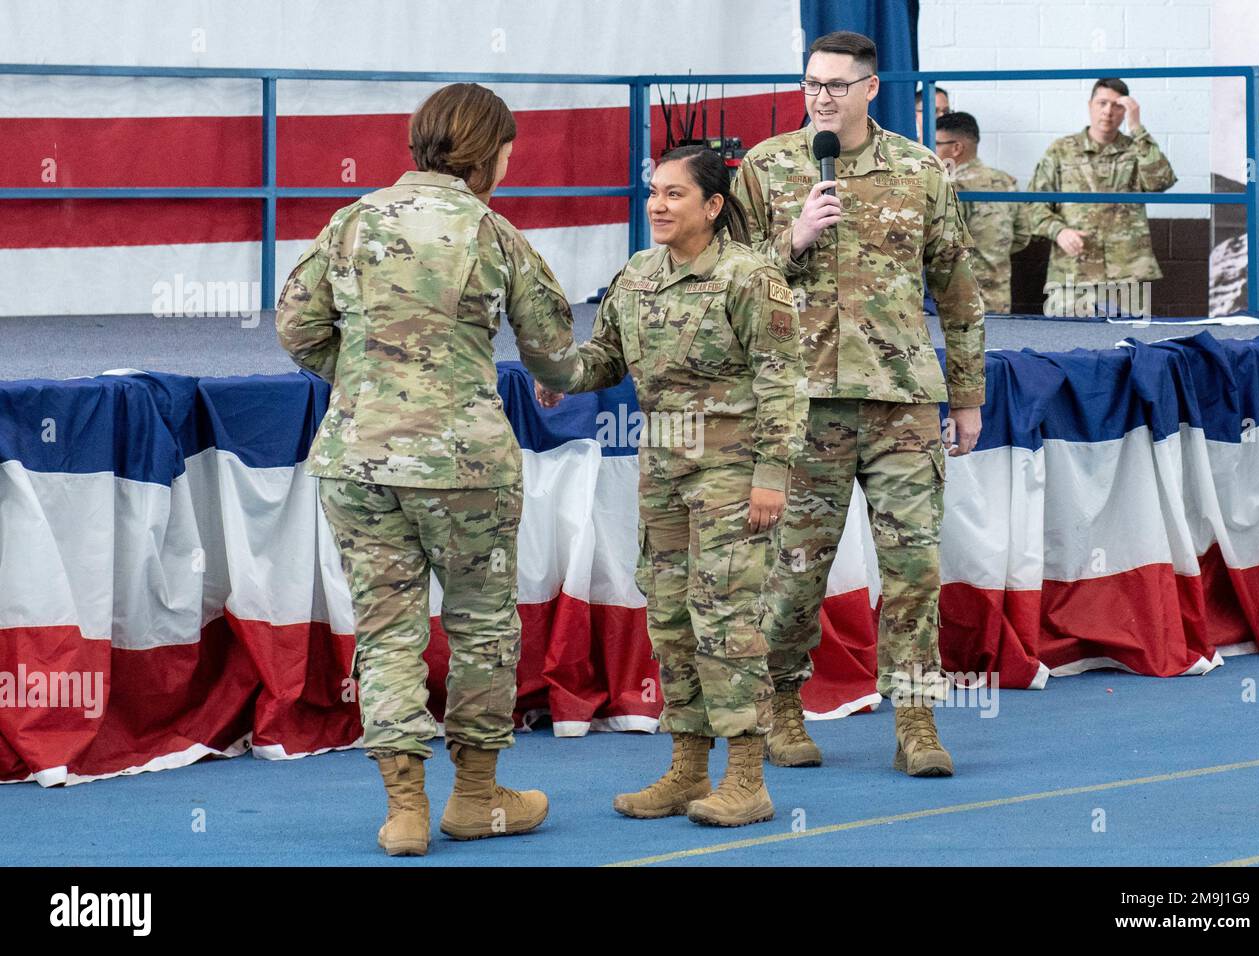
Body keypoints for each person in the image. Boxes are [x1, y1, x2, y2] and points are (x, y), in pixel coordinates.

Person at [276, 83, 586, 856]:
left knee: (386, 633)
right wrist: (559, 374)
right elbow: (552, 352)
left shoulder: (351, 223)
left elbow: (295, 327)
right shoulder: (496, 234)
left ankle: (404, 809)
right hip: (465, 467)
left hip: (358, 460)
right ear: (491, 154)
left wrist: (363, 380)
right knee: (480, 629)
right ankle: (475, 799)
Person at [732, 30, 985, 775]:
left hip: (901, 401)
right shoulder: (767, 167)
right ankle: (779, 704)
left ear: (871, 89)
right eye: (812, 83)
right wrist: (795, 237)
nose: (821, 97)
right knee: (795, 570)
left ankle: (915, 720)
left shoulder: (918, 169)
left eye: (838, 84)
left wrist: (967, 396)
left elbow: (960, 293)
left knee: (914, 569)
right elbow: (727, 282)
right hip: (801, 405)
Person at [537, 146, 808, 827]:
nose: (658, 205)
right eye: (654, 192)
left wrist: (771, 477)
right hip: (663, 469)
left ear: (713, 206)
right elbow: (607, 357)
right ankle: (689, 770)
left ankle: (746, 777)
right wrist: (562, 372)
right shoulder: (636, 274)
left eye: (675, 194)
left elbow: (783, 382)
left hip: (733, 469)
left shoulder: (752, 277)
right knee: (671, 618)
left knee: (726, 620)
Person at [1026, 78, 1177, 317]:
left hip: (1126, 274)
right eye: (1102, 103)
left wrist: (1137, 127)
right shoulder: (1061, 150)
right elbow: (1033, 205)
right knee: (1060, 344)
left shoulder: (1135, 150)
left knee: (1126, 348)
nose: (1108, 111)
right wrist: (1059, 231)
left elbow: (1161, 181)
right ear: (1090, 105)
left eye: (1117, 105)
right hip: (1072, 274)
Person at [936, 111, 1032, 313]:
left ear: (956, 148)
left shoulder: (950, 186)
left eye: (937, 143)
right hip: (999, 298)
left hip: (961, 300)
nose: (931, 149)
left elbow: (941, 246)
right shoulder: (1006, 182)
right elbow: (1023, 236)